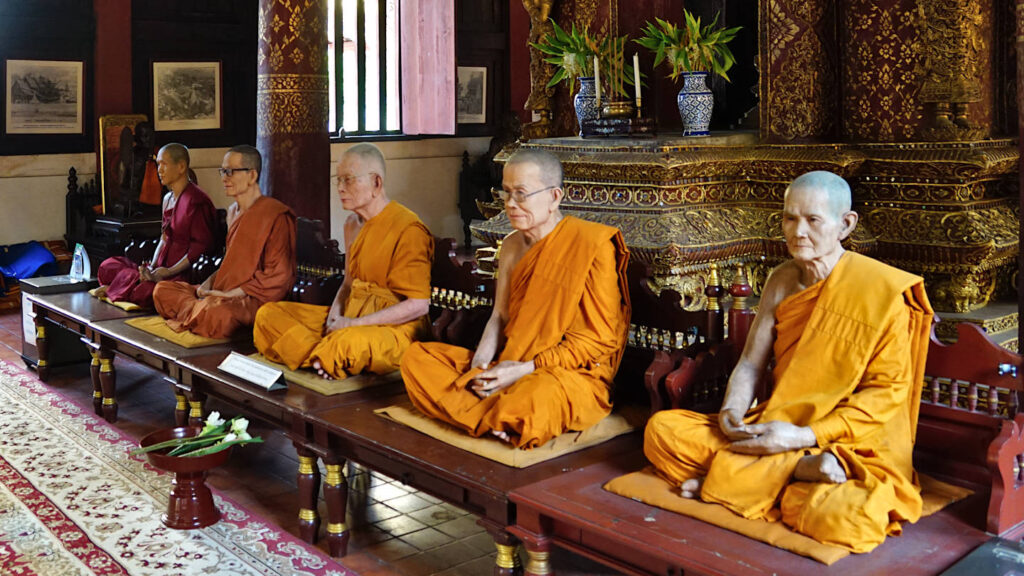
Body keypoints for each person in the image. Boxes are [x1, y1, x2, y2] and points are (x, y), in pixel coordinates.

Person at [643, 171, 934, 553]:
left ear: (845, 225)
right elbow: (749, 364)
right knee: (662, 431)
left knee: (849, 520)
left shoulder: (879, 292)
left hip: (851, 445)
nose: (798, 231)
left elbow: (884, 397)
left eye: (813, 220)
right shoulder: (781, 280)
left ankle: (741, 479)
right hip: (776, 425)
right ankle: (793, 472)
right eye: (789, 218)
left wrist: (802, 437)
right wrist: (732, 411)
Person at [401, 149, 631, 449]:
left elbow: (600, 341)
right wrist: (482, 369)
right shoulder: (510, 246)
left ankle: (495, 412)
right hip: (509, 361)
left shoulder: (592, 245)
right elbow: (499, 317)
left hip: (565, 375)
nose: (510, 204)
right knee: (416, 359)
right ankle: (500, 416)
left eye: (521, 194)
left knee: (536, 398)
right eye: (506, 192)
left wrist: (522, 371)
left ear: (554, 197)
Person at [252, 143, 433, 379]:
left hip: (394, 330)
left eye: (348, 180)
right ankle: (324, 358)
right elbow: (348, 283)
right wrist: (335, 318)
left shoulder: (408, 228)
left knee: (347, 342)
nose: (340, 188)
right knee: (268, 315)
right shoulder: (351, 224)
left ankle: (322, 355)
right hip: (352, 316)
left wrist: (352, 326)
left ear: (376, 183)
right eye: (338, 180)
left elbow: (419, 305)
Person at [152, 145, 296, 339]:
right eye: (222, 171)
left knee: (217, 313)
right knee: (162, 290)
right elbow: (230, 265)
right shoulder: (232, 212)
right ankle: (199, 310)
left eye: (230, 171)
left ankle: (200, 311)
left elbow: (278, 277)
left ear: (252, 176)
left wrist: (229, 296)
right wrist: (207, 285)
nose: (224, 178)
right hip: (223, 292)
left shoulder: (275, 215)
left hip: (251, 299)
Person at [94, 143, 217, 309]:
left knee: (151, 292)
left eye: (164, 164)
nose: (159, 170)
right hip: (160, 269)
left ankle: (118, 289)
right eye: (158, 164)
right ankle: (126, 287)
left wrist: (169, 271)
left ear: (181, 167)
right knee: (107, 266)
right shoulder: (167, 199)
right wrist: (151, 268)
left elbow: (200, 247)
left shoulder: (196, 200)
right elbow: (164, 239)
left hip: (179, 274)